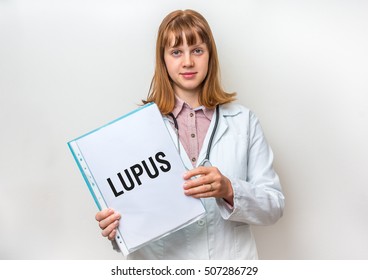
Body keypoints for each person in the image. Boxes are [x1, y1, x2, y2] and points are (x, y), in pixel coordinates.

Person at [95, 9, 285, 259]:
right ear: (163, 60)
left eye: (197, 50)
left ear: (210, 56)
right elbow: (131, 220)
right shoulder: (135, 129)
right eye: (176, 52)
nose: (187, 62)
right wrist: (116, 229)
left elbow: (274, 206)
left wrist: (229, 189)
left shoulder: (243, 122)